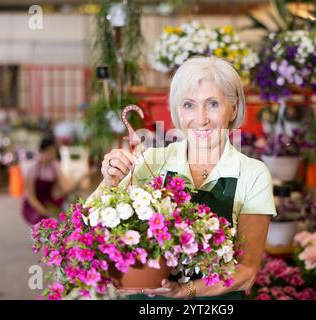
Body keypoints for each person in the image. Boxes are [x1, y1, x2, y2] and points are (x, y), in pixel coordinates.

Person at [89, 56, 277, 299]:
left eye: (212, 104)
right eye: (189, 105)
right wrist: (109, 181)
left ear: (233, 109)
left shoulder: (253, 174)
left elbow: (247, 271)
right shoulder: (152, 161)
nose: (201, 119)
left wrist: (185, 291)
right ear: (178, 110)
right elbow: (88, 224)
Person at [22, 135, 95, 225]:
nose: (54, 155)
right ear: (43, 151)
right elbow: (31, 197)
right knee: (41, 228)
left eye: (54, 152)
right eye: (51, 152)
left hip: (48, 202)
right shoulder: (32, 168)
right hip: (34, 205)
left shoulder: (55, 166)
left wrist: (84, 175)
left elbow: (66, 189)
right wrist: (45, 212)